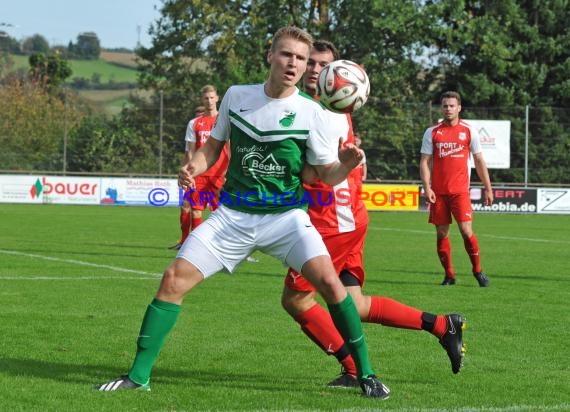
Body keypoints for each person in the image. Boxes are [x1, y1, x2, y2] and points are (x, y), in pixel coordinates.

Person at [97, 26, 389, 399]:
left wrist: (345, 164)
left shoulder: (313, 112)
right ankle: (137, 376)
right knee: (172, 280)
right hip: (233, 217)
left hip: (286, 218)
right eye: (286, 54)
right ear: (270, 55)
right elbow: (213, 149)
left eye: (300, 59)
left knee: (333, 286)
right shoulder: (237, 96)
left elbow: (320, 175)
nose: (293, 63)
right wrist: (193, 167)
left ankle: (366, 374)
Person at [280, 40, 466, 389]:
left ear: (341, 76)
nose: (316, 71)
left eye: (324, 65)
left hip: (331, 221)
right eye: (312, 63)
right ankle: (443, 325)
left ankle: (354, 369)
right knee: (356, 304)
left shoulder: (324, 111)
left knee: (296, 299)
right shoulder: (325, 107)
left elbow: (312, 172)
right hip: (348, 216)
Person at [420, 91, 493, 287]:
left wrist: (488, 188)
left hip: (460, 192)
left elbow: (479, 160)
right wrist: (427, 188)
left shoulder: (470, 131)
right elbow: (425, 161)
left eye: (452, 106)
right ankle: (449, 275)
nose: (448, 109)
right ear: (441, 108)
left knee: (466, 231)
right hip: (439, 193)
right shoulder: (432, 132)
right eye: (445, 105)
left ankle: (477, 271)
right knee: (442, 234)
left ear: (459, 107)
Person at [169, 85, 229, 250]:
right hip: (200, 174)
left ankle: (225, 246)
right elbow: (191, 152)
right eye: (206, 98)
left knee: (223, 213)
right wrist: (187, 172)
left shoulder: (225, 120)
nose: (209, 101)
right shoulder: (194, 123)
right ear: (202, 100)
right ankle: (194, 246)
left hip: (220, 175)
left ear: (217, 98)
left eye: (211, 97)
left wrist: (229, 173)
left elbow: (230, 149)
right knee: (195, 210)